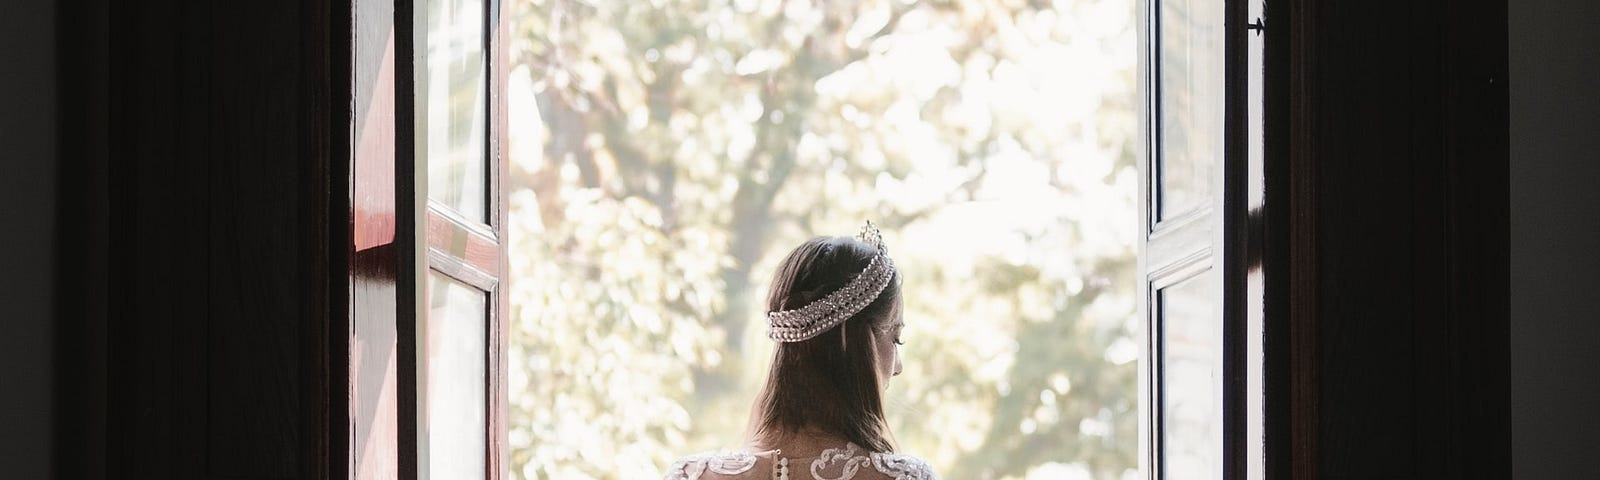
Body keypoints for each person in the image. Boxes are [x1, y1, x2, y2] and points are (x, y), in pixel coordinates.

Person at [663, 222, 937, 480]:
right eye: (895, 338)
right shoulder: (907, 477)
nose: (897, 366)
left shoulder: (692, 475)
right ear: (853, 343)